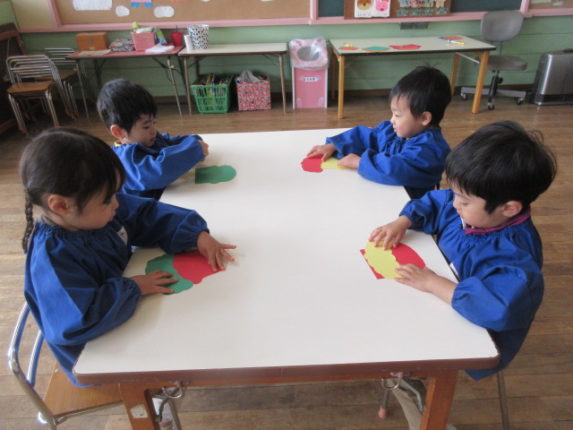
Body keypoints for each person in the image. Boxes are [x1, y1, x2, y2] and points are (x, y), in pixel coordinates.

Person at [369, 121, 557, 430]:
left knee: (391, 354)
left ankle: (427, 416)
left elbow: (496, 308)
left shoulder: (515, 258)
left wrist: (433, 283)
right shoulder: (473, 209)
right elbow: (437, 202)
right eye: (456, 193)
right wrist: (404, 221)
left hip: (476, 333)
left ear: (509, 208)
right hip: (439, 302)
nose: (455, 203)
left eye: (464, 200)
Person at [20, 127, 235, 386]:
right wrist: (133, 287)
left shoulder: (91, 211)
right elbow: (78, 319)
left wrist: (194, 234)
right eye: (107, 199)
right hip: (101, 359)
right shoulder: (52, 258)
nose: (117, 203)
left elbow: (146, 215)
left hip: (129, 319)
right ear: (61, 205)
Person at [307, 66, 452, 199]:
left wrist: (360, 162)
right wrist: (335, 145)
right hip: (383, 195)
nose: (392, 120)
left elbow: (395, 169)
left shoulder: (431, 150)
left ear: (424, 118)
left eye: (397, 115)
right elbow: (368, 136)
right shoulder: (401, 132)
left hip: (409, 208)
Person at [97, 78, 209, 200]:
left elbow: (173, 142)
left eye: (154, 123)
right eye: (146, 126)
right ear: (118, 132)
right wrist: (194, 150)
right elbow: (158, 172)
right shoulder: (123, 161)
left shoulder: (150, 139)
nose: (154, 130)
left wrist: (195, 141)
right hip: (145, 209)